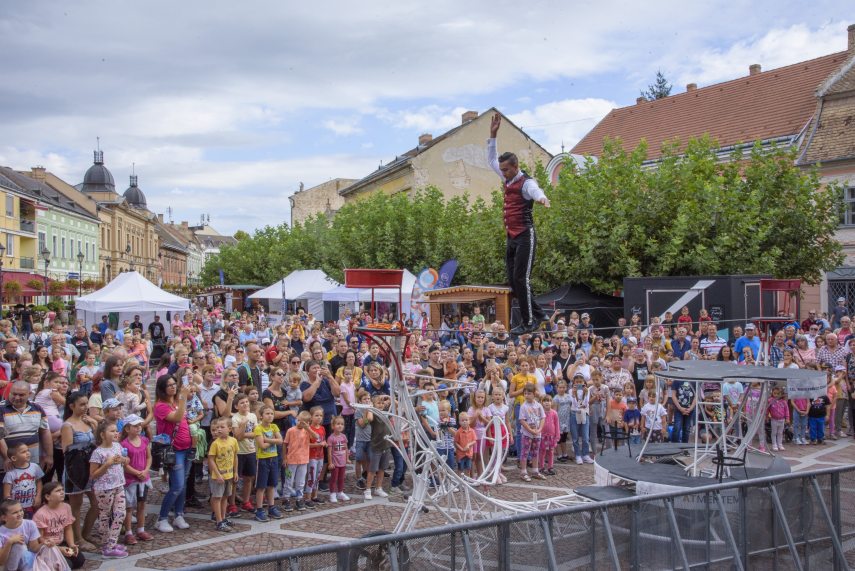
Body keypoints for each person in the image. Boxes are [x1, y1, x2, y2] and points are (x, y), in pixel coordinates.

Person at [487, 112, 550, 334]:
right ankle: (540, 314)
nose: (502, 173)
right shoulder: (506, 175)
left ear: (516, 166)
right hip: (511, 236)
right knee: (513, 281)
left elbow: (535, 190)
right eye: (502, 170)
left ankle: (529, 321)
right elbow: (491, 159)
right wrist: (493, 135)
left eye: (506, 170)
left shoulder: (526, 183)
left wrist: (541, 198)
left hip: (525, 235)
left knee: (522, 279)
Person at [153, 375, 193, 533]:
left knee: (182, 484)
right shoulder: (161, 406)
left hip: (186, 447)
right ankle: (162, 518)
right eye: (169, 385)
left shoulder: (175, 402)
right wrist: (183, 398)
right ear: (162, 389)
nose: (172, 387)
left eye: (173, 384)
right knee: (177, 486)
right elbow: (176, 417)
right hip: (173, 450)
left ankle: (178, 514)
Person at [88, 421, 129, 559]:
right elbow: (93, 474)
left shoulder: (117, 446)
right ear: (102, 434)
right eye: (111, 431)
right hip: (104, 489)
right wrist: (107, 464)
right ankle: (107, 546)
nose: (116, 433)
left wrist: (124, 459)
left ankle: (111, 544)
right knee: (105, 517)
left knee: (120, 514)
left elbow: (125, 461)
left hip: (119, 485)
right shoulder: (98, 452)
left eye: (116, 431)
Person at [33, 482, 85, 569]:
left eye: (62, 490)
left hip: (61, 542)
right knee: (67, 565)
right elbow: (40, 538)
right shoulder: (41, 514)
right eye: (57, 491)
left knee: (79, 560)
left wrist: (71, 544)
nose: (62, 492)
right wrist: (59, 549)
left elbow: (68, 528)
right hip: (48, 547)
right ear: (48, 497)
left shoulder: (66, 507)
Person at [120, 414, 152, 545]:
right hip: (130, 480)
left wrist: (145, 470)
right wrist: (137, 472)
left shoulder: (144, 440)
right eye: (135, 426)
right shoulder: (124, 444)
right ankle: (128, 532)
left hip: (143, 479)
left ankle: (141, 529)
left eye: (139, 425)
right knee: (129, 507)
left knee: (141, 504)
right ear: (127, 429)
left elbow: (149, 457)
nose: (139, 428)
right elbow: (124, 464)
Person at [252, 405, 284, 522]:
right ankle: (259, 510)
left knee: (272, 485)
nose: (270, 416)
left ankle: (272, 507)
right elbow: (261, 445)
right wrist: (272, 441)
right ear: (261, 416)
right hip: (262, 459)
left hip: (273, 458)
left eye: (271, 413)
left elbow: (280, 441)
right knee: (261, 486)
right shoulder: (258, 428)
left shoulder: (274, 426)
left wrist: (268, 440)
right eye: (267, 413)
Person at [208, 417, 238, 532]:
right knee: (217, 497)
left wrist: (235, 471)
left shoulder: (233, 441)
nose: (219, 430)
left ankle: (223, 518)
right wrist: (217, 474)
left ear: (229, 429)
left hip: (229, 475)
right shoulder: (215, 444)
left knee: (225, 497)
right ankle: (219, 521)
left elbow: (235, 456)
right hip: (219, 477)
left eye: (222, 427)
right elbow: (211, 460)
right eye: (217, 427)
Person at [282, 411, 312, 512]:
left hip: (303, 460)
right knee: (289, 480)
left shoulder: (307, 431)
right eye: (298, 420)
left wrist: (307, 428)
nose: (299, 423)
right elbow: (285, 444)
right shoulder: (290, 430)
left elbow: (316, 437)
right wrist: (284, 458)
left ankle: (299, 499)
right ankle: (286, 498)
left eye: (303, 422)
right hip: (291, 461)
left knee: (301, 481)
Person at [0, 499, 41, 570]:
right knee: (17, 545)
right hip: (9, 566)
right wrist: (9, 542)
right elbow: (1, 562)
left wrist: (44, 543)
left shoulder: (30, 524)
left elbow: (34, 549)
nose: (20, 514)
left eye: (21, 510)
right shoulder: (1, 532)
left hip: (27, 562)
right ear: (4, 518)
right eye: (15, 512)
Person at [325, 416, 349, 503]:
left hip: (342, 462)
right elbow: (329, 452)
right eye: (338, 424)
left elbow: (346, 448)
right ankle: (332, 493)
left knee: (341, 478)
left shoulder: (343, 437)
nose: (340, 426)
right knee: (334, 478)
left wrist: (347, 458)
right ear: (333, 426)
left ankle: (340, 492)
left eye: (342, 424)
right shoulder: (331, 438)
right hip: (335, 462)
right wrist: (330, 463)